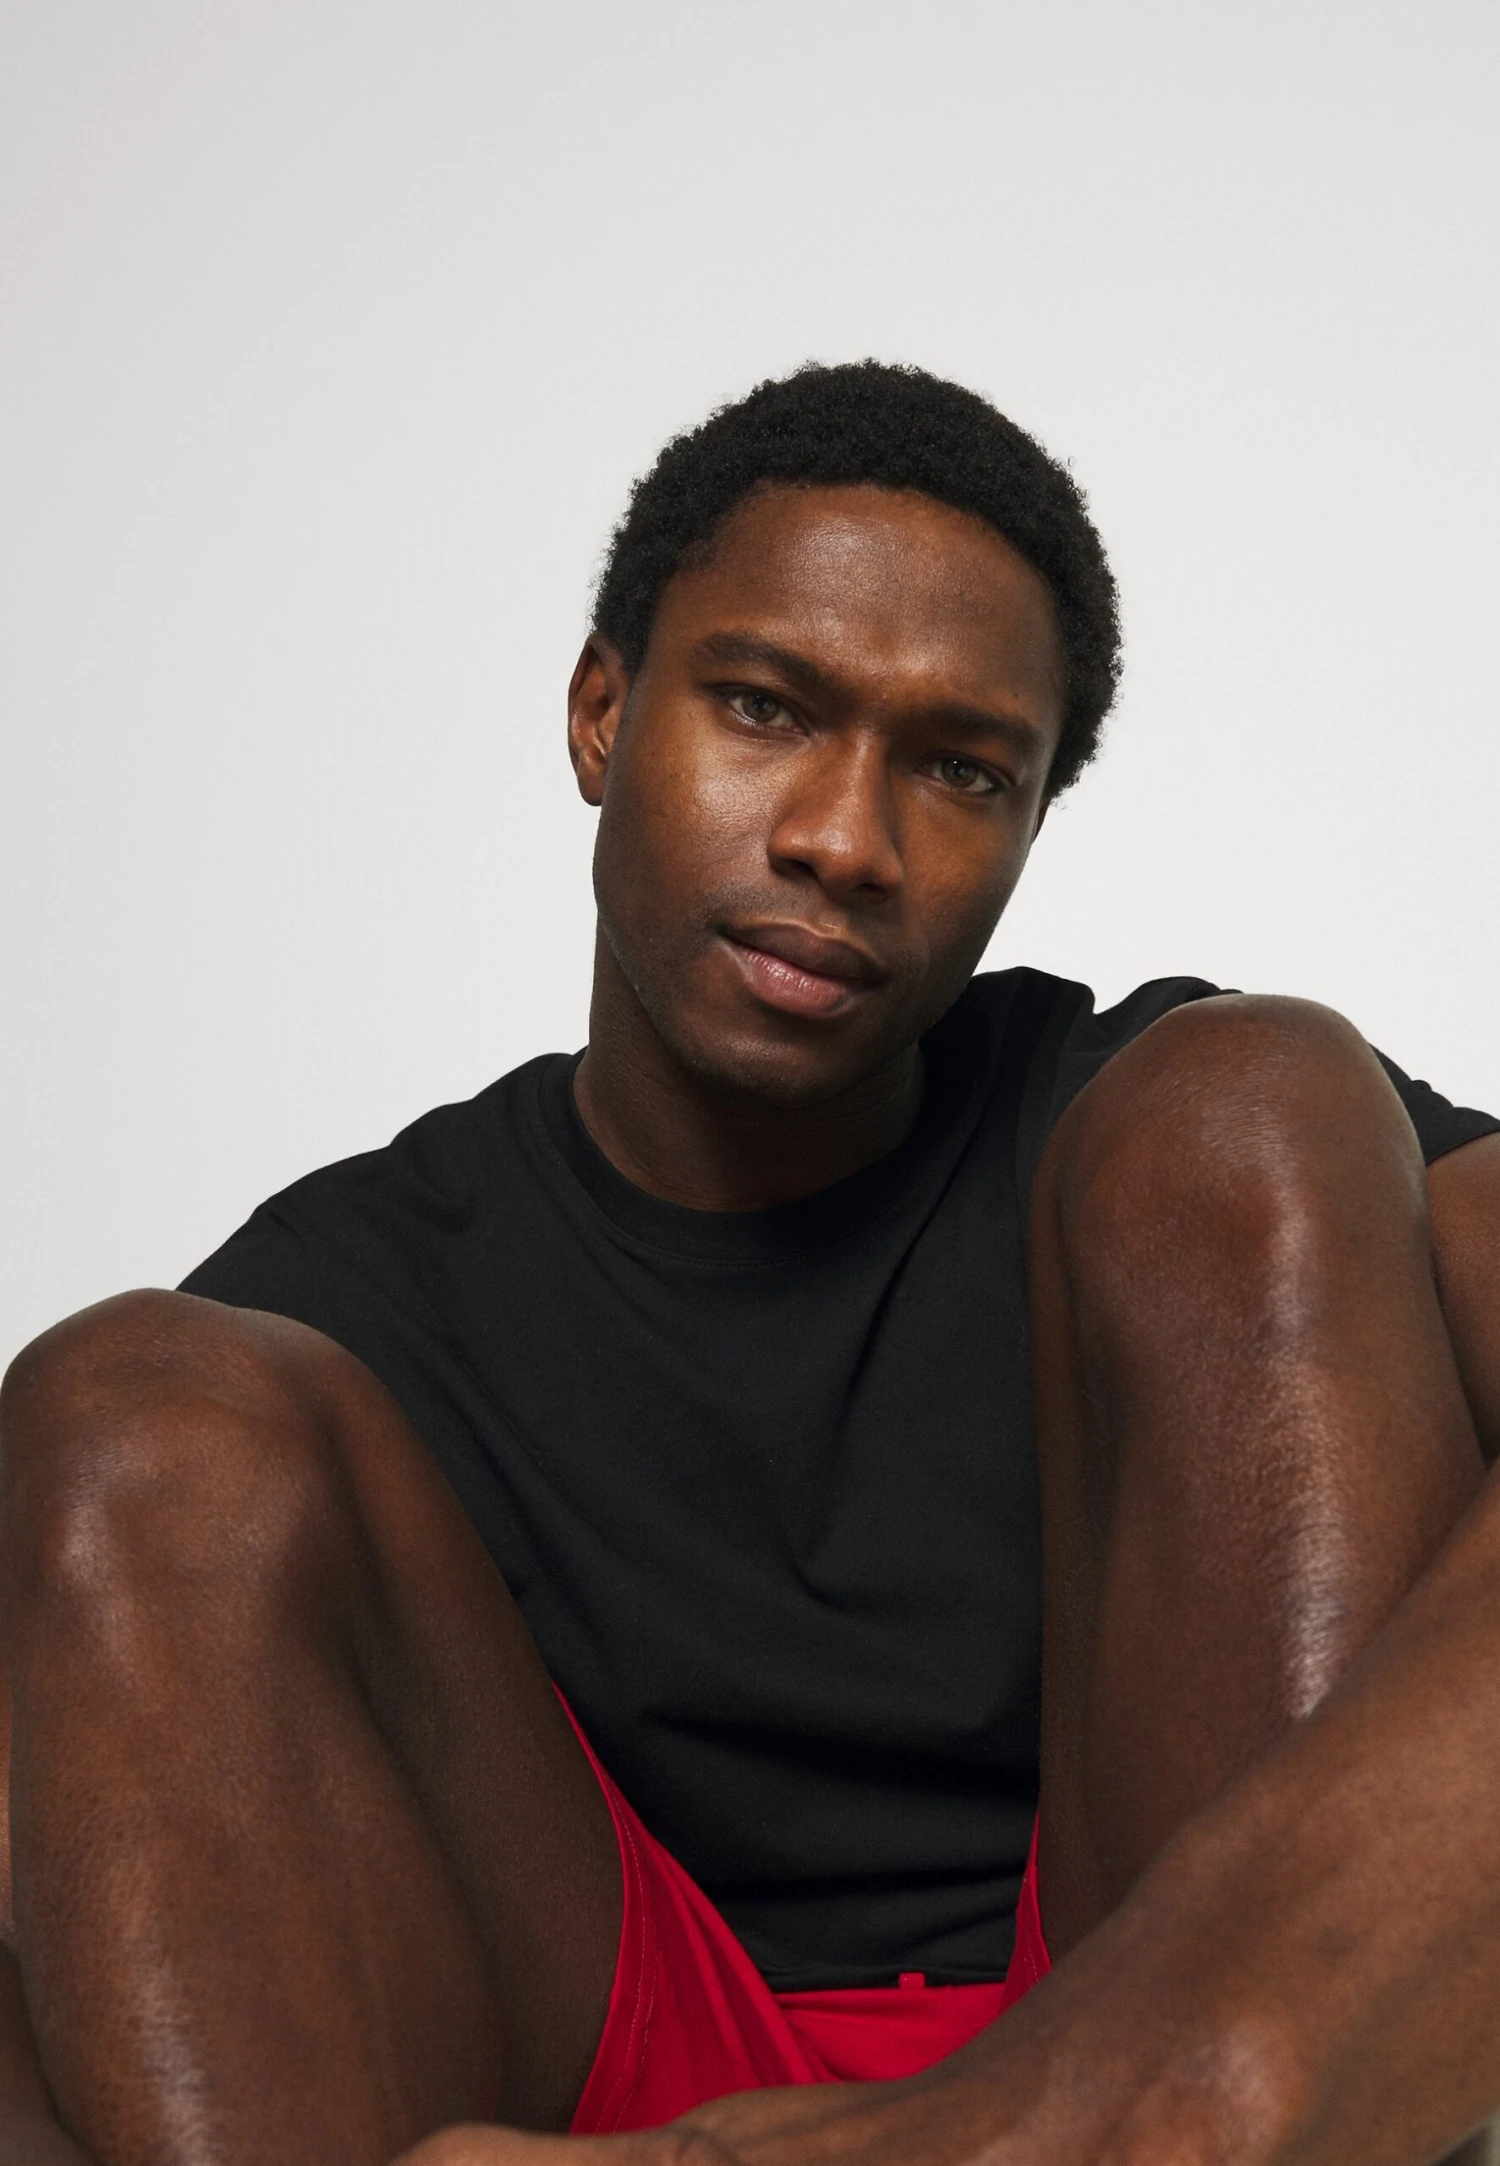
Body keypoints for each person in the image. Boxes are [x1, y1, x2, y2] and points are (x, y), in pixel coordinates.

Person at [1, 360, 1498, 2166]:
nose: (844, 840)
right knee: (124, 1412)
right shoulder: (346, 1308)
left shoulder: (1162, 1144)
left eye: (960, 769)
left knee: (1258, 1089)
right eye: (767, 708)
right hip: (601, 2105)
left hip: (1200, 2042)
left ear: (1032, 828)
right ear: (601, 715)